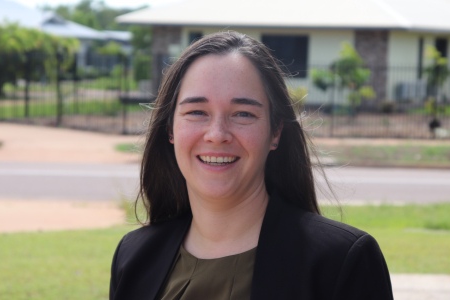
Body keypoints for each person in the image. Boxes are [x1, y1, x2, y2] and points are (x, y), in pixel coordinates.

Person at [109, 31, 394, 300]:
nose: (217, 134)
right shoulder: (134, 256)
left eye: (243, 113)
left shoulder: (341, 262)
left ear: (275, 132)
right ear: (170, 129)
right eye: (196, 112)